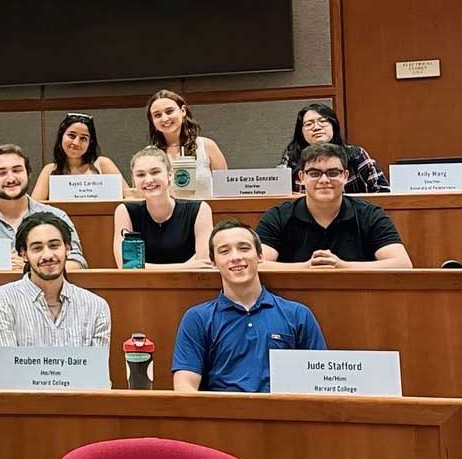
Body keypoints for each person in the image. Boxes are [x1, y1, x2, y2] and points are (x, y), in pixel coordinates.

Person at [173, 220, 326, 393]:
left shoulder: (298, 314)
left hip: (284, 415)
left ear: (260, 255)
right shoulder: (197, 318)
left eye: (244, 248)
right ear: (213, 262)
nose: (235, 257)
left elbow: (319, 382)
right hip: (222, 416)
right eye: (224, 251)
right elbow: (184, 386)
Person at [0, 211, 111, 386]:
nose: (48, 255)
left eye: (54, 245)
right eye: (37, 248)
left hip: (78, 409)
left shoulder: (96, 307)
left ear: (68, 249)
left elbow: (96, 380)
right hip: (15, 410)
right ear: (23, 254)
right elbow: (6, 378)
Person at [255, 143, 412, 269]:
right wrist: (306, 267)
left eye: (332, 173)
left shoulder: (370, 214)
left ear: (345, 176)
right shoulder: (277, 216)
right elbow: (257, 264)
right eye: (315, 173)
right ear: (302, 178)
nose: (324, 180)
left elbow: (402, 264)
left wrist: (343, 266)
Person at [0, 144, 88, 270]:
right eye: (1, 173)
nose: (11, 178)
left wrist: (30, 268)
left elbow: (77, 262)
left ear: (28, 174)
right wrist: (2, 265)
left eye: (17, 170)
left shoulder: (57, 216)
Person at [112, 148, 212, 268]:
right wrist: (186, 266)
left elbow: (204, 264)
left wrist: (143, 267)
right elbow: (126, 266)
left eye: (155, 172)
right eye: (140, 174)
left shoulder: (200, 209)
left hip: (189, 285)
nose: (148, 180)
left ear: (170, 175)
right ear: (134, 180)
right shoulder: (124, 211)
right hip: (141, 285)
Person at [280, 103, 389, 194]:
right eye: (309, 124)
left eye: (322, 121)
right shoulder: (292, 158)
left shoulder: (356, 154)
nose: (317, 128)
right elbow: (278, 194)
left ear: (334, 125)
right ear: (301, 132)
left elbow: (383, 191)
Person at [147, 89, 226, 197]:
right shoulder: (149, 154)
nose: (164, 118)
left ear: (183, 111)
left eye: (169, 111)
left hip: (205, 212)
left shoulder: (207, 146)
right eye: (157, 115)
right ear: (152, 120)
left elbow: (225, 191)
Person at [31, 112, 123, 201]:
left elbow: (128, 198)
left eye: (83, 138)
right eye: (71, 135)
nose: (76, 143)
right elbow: (35, 208)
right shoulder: (49, 170)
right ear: (61, 136)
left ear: (90, 142)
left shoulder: (103, 164)